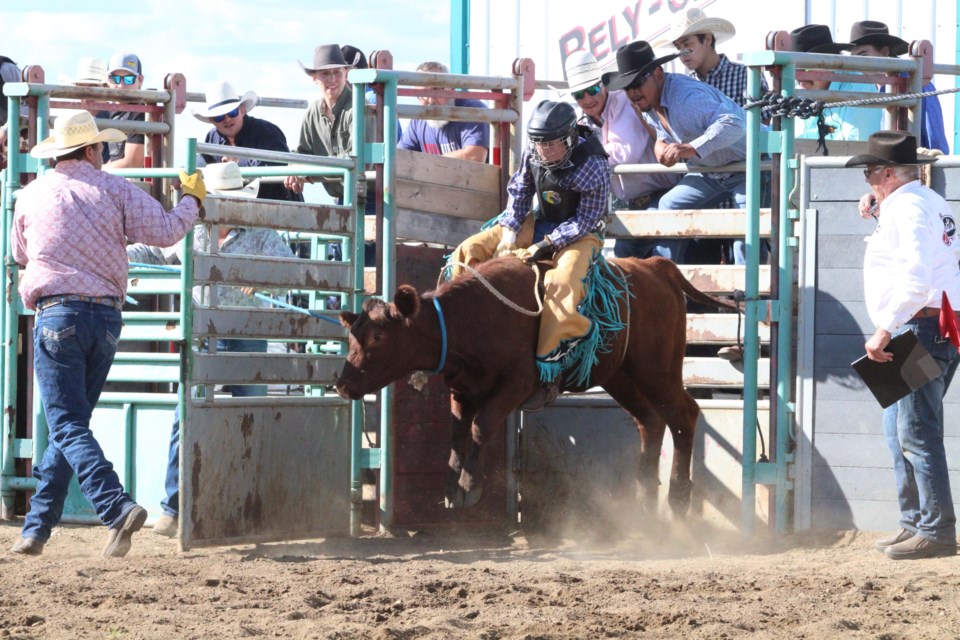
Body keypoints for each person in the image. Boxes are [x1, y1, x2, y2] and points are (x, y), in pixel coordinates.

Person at [9, 110, 204, 557]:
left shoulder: (32, 194)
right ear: (93, 150)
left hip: (58, 314)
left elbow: (19, 252)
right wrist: (191, 199)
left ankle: (114, 506)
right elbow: (168, 230)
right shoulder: (116, 189)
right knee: (71, 425)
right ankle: (36, 528)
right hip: (106, 318)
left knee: (66, 424)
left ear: (58, 153)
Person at [126, 161, 296, 538]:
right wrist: (118, 253)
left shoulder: (262, 235)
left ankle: (245, 505)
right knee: (185, 415)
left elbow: (291, 270)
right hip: (205, 331)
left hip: (247, 332)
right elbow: (154, 252)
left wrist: (263, 277)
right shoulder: (193, 232)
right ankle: (173, 506)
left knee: (248, 415)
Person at [449, 100, 609, 410]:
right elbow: (520, 190)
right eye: (540, 143)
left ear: (570, 136)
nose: (545, 151)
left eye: (552, 144)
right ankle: (460, 326)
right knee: (467, 250)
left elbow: (586, 219)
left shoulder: (593, 163)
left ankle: (549, 366)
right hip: (537, 220)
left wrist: (547, 243)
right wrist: (510, 232)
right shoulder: (534, 150)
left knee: (562, 283)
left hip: (580, 232)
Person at [849, 130, 959, 560]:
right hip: (932, 325)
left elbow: (915, 279)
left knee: (913, 430)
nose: (867, 180)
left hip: (917, 328)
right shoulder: (924, 202)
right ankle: (917, 522)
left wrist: (883, 329)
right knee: (901, 430)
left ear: (888, 174)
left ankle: (934, 529)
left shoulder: (909, 209)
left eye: (870, 172)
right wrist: (882, 205)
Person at [603, 40, 746, 264]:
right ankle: (665, 280)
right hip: (713, 170)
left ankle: (751, 297)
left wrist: (691, 148)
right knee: (669, 206)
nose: (633, 92)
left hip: (750, 167)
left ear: (658, 74)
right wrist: (660, 145)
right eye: (627, 86)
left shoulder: (686, 98)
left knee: (746, 231)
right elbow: (664, 133)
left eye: (638, 82)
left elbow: (735, 124)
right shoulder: (649, 100)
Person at [562, 50, 679, 257]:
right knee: (634, 259)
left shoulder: (623, 102)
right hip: (638, 203)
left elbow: (624, 152)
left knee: (637, 256)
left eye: (592, 89)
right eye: (579, 95)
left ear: (603, 85)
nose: (587, 99)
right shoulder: (581, 120)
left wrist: (576, 160)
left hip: (661, 196)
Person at [841, 20, 949, 154]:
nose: (859, 63)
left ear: (884, 52)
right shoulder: (874, 86)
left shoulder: (914, 81)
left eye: (864, 55)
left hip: (917, 164)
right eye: (854, 58)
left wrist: (937, 162)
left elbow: (933, 133)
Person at [192, 80, 302, 202]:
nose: (227, 119)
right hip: (238, 209)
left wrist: (236, 164)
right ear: (212, 121)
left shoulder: (265, 131)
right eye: (219, 116)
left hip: (281, 207)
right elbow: (203, 160)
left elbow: (278, 165)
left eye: (232, 112)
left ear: (242, 111)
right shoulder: (213, 137)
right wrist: (184, 172)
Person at [660, 7, 769, 110]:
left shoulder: (745, 74)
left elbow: (765, 121)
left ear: (707, 39)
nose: (682, 53)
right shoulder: (686, 85)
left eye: (687, 44)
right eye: (678, 47)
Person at [789, 25, 882, 143]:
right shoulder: (796, 92)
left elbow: (856, 146)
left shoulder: (860, 87)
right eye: (794, 70)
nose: (799, 77)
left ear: (829, 63)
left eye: (805, 67)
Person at [285, 44, 354, 200]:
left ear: (346, 74)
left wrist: (308, 172)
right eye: (325, 74)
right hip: (342, 198)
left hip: (370, 198)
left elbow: (356, 163)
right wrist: (295, 168)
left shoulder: (357, 108)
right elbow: (302, 154)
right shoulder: (312, 112)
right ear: (314, 78)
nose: (332, 79)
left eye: (337, 72)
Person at [398, 61, 489, 162]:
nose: (430, 100)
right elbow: (399, 157)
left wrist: (428, 163)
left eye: (436, 90)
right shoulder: (418, 121)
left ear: (452, 89)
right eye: (422, 93)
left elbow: (474, 156)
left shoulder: (471, 111)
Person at [99, 52, 146, 169]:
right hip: (113, 178)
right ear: (107, 80)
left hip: (135, 184)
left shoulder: (142, 112)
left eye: (129, 79)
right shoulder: (104, 113)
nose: (121, 85)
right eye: (115, 79)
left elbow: (132, 164)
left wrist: (95, 172)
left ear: (140, 80)